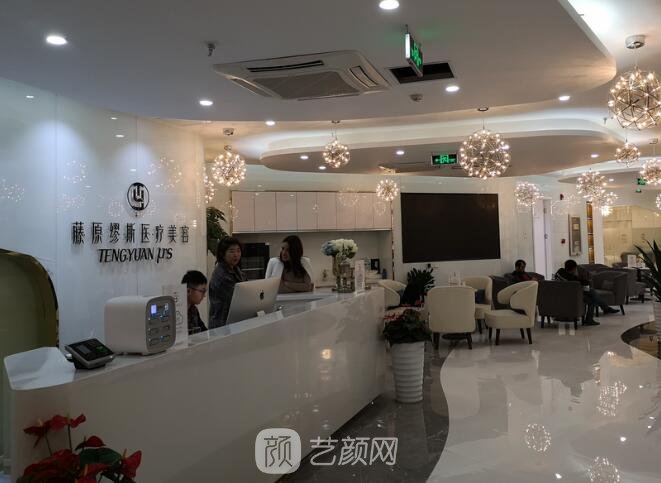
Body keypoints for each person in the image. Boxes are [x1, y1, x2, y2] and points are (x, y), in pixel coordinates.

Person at [555, 259, 618, 326]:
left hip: (562, 294)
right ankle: (597, 314)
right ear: (574, 268)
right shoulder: (573, 278)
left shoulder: (560, 272)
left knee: (591, 293)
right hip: (573, 296)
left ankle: (605, 308)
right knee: (592, 298)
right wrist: (576, 274)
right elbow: (586, 283)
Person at [209, 237, 247, 328]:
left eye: (238, 251)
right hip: (222, 325)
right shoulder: (222, 274)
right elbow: (238, 298)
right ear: (222, 254)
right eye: (231, 251)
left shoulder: (235, 269)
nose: (236, 254)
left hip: (232, 322)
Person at [181, 270, 208, 335]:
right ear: (188, 291)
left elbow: (205, 332)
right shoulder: (178, 312)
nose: (204, 295)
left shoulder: (193, 309)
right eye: (202, 291)